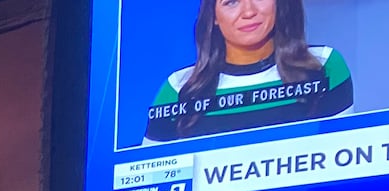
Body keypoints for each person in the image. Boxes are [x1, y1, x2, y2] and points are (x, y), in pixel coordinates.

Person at [143, 0, 352, 144]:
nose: (249, 12)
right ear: (213, 16)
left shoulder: (323, 66)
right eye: (231, 1)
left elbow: (346, 161)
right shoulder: (179, 88)